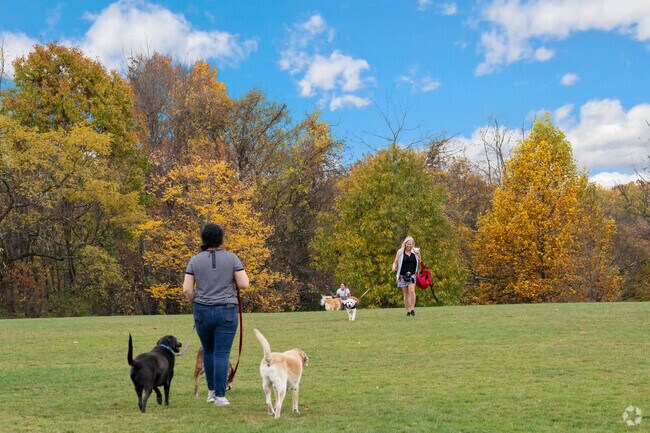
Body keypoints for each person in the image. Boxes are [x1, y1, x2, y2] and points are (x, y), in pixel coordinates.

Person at [183, 223, 249, 406]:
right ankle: (220, 396)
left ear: (203, 239)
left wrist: (198, 299)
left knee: (208, 351)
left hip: (202, 310)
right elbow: (244, 284)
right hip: (226, 310)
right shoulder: (232, 258)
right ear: (221, 238)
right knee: (222, 352)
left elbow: (187, 290)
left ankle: (211, 392)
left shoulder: (194, 260)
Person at [391, 236, 421, 317]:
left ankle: (412, 309)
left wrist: (418, 255)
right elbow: (395, 262)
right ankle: (408, 310)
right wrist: (393, 267)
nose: (409, 246)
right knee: (406, 293)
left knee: (412, 291)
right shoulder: (400, 252)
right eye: (407, 244)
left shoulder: (416, 251)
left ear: (412, 244)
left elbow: (420, 262)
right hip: (402, 275)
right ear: (405, 244)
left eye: (410, 244)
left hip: (412, 275)